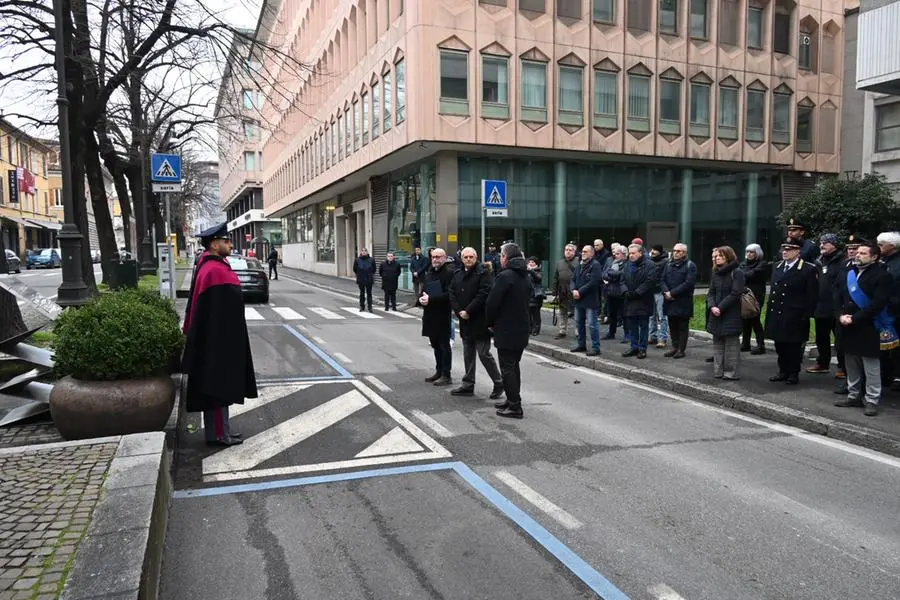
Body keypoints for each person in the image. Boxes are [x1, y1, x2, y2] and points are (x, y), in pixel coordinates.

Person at [182, 223, 257, 447]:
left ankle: (221, 431)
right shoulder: (213, 269)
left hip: (220, 338)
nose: (231, 244)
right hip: (218, 340)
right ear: (214, 244)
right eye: (226, 241)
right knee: (217, 386)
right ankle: (218, 434)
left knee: (218, 385)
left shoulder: (213, 265)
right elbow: (215, 310)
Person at [835, 240, 895, 416]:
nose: (857, 255)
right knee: (851, 362)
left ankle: (871, 399)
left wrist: (855, 318)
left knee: (871, 366)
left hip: (869, 326)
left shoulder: (882, 275)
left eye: (863, 253)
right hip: (847, 324)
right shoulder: (849, 272)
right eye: (857, 252)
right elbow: (838, 296)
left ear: (874, 257)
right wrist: (840, 315)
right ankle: (853, 395)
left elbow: (878, 303)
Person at [449, 247, 504, 398]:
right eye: (465, 257)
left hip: (479, 320)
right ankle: (468, 384)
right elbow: (452, 292)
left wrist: (468, 310)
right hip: (464, 319)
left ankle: (499, 382)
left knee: (483, 353)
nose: (468, 259)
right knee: (468, 353)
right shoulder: (458, 273)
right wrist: (459, 311)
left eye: (471, 257)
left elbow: (484, 294)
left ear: (476, 257)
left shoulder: (484, 273)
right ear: (461, 259)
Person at [486, 242, 532, 419]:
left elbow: (492, 302)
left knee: (507, 368)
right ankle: (512, 399)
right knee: (514, 366)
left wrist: (489, 322)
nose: (500, 259)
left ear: (506, 257)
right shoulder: (524, 275)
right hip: (521, 327)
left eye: (501, 256)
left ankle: (515, 406)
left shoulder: (505, 276)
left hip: (506, 328)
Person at [766, 240, 819, 385]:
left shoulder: (808, 269)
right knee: (780, 345)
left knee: (793, 347)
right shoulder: (777, 266)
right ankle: (782, 370)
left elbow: (812, 295)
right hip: (777, 312)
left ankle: (793, 373)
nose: (785, 252)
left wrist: (806, 315)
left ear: (798, 252)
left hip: (795, 314)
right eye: (784, 249)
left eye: (789, 250)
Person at [808, 233, 846, 375]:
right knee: (821, 337)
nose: (822, 245)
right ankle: (823, 363)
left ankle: (843, 367)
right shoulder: (819, 261)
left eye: (826, 243)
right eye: (821, 243)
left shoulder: (843, 261)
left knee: (840, 339)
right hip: (821, 304)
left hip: (837, 306)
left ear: (834, 245)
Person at [707, 246, 745, 380]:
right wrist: (712, 306)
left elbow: (736, 293)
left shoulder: (737, 272)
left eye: (719, 256)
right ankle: (718, 371)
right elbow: (711, 292)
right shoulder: (716, 272)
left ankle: (730, 373)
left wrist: (720, 308)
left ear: (728, 256)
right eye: (716, 256)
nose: (716, 258)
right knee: (717, 343)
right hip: (716, 313)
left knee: (731, 345)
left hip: (731, 313)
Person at [420, 247, 456, 386]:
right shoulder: (429, 273)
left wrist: (431, 300)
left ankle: (447, 374)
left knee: (444, 346)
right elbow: (424, 291)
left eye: (438, 257)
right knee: (435, 345)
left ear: (444, 258)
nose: (435, 259)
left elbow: (450, 295)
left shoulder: (449, 274)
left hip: (442, 315)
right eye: (433, 257)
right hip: (429, 314)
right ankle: (439, 371)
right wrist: (421, 300)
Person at [622, 243, 659, 359]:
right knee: (632, 325)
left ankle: (642, 349)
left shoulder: (650, 265)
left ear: (640, 253)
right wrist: (625, 291)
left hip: (643, 299)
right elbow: (622, 280)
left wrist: (637, 292)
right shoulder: (627, 265)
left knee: (643, 325)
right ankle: (634, 347)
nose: (631, 256)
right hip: (629, 300)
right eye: (630, 253)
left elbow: (650, 281)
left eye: (633, 253)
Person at [660, 243, 697, 358]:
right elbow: (662, 280)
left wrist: (672, 293)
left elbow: (688, 283)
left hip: (682, 301)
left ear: (685, 253)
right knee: (672, 325)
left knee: (682, 326)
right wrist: (666, 292)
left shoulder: (690, 265)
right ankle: (674, 347)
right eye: (674, 250)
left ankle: (681, 349)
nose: (675, 253)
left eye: (679, 251)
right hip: (669, 300)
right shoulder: (668, 264)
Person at [570, 245, 601, 356]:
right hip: (579, 300)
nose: (583, 253)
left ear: (592, 253)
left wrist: (580, 291)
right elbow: (573, 279)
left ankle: (595, 347)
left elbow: (594, 282)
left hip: (590, 300)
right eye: (582, 251)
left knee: (592, 324)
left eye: (585, 252)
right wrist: (573, 290)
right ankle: (581, 344)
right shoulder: (580, 265)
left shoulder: (595, 265)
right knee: (579, 323)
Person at [740, 244, 768, 355]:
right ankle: (745, 343)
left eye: (752, 252)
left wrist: (743, 274)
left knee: (755, 320)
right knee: (744, 320)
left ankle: (761, 345)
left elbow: (751, 275)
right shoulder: (743, 264)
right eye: (747, 252)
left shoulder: (762, 264)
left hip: (756, 296)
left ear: (757, 253)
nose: (749, 254)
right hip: (744, 295)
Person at [553, 243, 579, 339]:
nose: (568, 251)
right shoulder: (560, 263)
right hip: (562, 291)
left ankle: (578, 332)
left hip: (574, 290)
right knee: (562, 311)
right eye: (566, 250)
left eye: (570, 250)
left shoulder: (578, 262)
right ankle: (562, 330)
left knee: (577, 311)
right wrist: (554, 291)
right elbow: (556, 277)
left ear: (574, 252)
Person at [353, 248, 376, 312]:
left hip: (369, 279)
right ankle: (362, 306)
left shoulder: (371, 260)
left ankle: (370, 307)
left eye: (365, 251)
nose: (364, 252)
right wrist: (359, 274)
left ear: (367, 252)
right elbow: (355, 269)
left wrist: (370, 274)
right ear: (361, 252)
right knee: (362, 293)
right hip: (361, 279)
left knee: (369, 293)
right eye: (362, 251)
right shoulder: (357, 260)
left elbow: (374, 269)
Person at [526, 256, 544, 336]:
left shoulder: (538, 271)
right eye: (530, 262)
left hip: (536, 295)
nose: (531, 263)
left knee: (536, 314)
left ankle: (536, 329)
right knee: (528, 313)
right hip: (528, 295)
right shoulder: (526, 271)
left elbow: (538, 278)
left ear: (536, 264)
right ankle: (529, 328)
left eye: (533, 262)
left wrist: (531, 271)